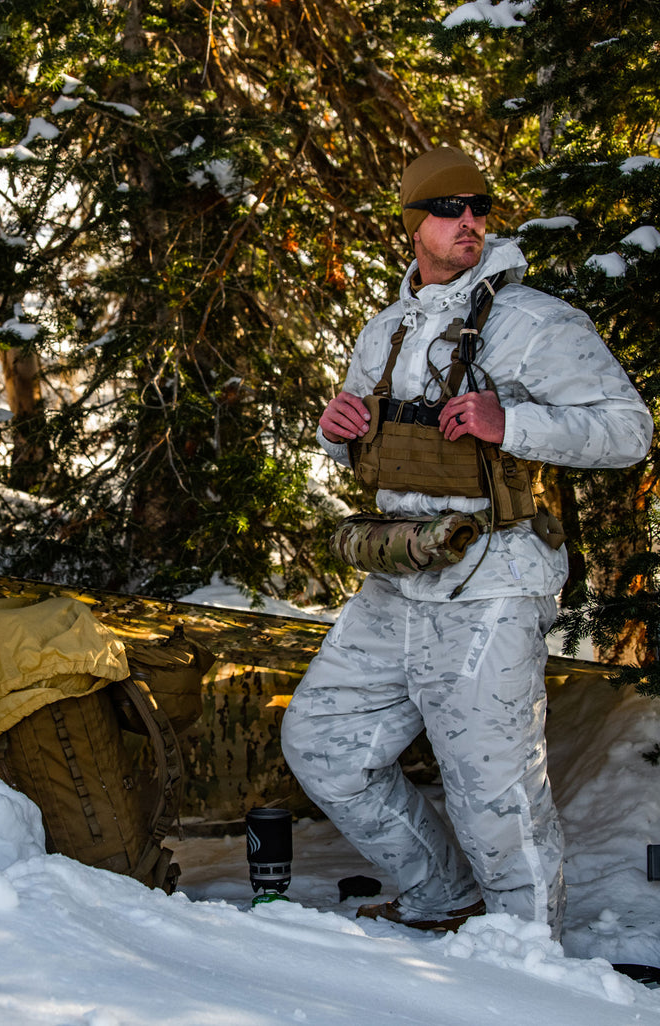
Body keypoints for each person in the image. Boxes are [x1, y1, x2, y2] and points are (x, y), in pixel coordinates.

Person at [280, 146, 653, 940]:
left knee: (493, 786)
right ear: (415, 224)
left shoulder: (536, 323)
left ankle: (525, 958)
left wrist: (511, 422)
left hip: (496, 577)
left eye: (480, 207)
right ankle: (442, 897)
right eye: (450, 208)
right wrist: (337, 434)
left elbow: (629, 431)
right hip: (398, 575)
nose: (471, 221)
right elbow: (372, 445)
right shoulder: (383, 331)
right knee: (322, 743)